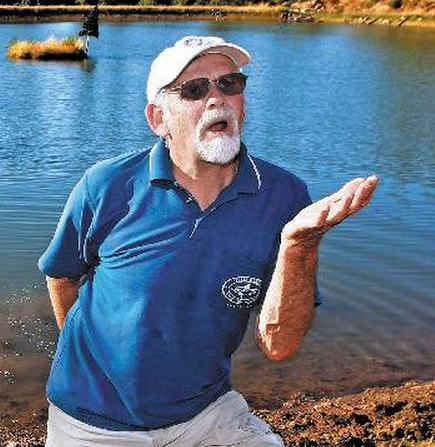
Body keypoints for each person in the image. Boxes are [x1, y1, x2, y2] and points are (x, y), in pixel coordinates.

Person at [38, 35, 378, 447]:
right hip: (91, 423)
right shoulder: (106, 186)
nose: (218, 98)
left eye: (230, 84)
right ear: (159, 119)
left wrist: (299, 246)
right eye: (195, 89)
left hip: (208, 413)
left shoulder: (284, 196)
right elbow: (61, 275)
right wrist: (90, 359)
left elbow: (279, 346)